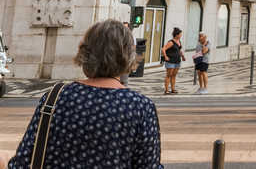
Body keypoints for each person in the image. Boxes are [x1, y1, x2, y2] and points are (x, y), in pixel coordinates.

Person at [7, 19, 163, 168]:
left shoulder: (54, 97)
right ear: (128, 56)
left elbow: (23, 162)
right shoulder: (140, 107)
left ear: (85, 53)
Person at [161, 27, 185, 94]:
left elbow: (179, 50)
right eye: (180, 34)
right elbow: (163, 49)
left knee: (174, 75)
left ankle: (173, 89)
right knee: (169, 75)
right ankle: (166, 90)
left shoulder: (179, 41)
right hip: (170, 61)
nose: (181, 35)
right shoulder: (171, 42)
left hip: (177, 60)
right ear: (176, 35)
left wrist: (182, 56)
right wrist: (165, 56)